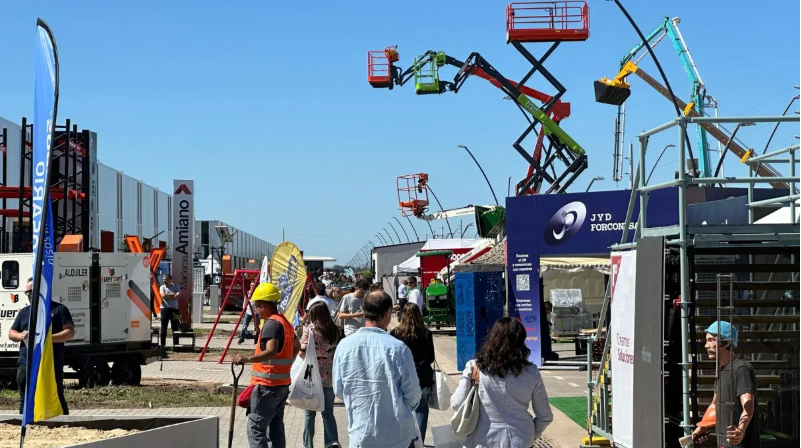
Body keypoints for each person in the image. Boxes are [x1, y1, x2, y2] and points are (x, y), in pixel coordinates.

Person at [333, 291, 421, 448]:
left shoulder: (344, 346)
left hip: (361, 434)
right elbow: (413, 394)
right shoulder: (398, 348)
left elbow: (339, 389)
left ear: (364, 311)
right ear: (387, 313)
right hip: (397, 436)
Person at [451, 317, 553, 448]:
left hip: (483, 440)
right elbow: (545, 416)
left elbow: (457, 403)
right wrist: (530, 435)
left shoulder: (475, 368)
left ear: (493, 338)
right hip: (521, 440)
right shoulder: (531, 372)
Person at [233, 282, 301, 448]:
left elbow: (271, 351)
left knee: (256, 429)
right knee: (276, 426)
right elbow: (297, 346)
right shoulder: (285, 323)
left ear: (263, 305)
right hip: (281, 384)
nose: (256, 310)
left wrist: (247, 358)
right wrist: (286, 365)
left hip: (267, 386)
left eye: (256, 306)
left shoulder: (271, 324)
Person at [8, 277, 75, 415]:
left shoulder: (59, 309)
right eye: (27, 293)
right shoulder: (25, 312)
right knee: (25, 395)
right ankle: (25, 420)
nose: (29, 295)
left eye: (31, 292)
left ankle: (64, 420)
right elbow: (11, 333)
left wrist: (47, 339)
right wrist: (20, 335)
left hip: (50, 360)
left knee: (55, 393)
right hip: (26, 361)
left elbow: (69, 332)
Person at [692, 321, 759, 447]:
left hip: (740, 445)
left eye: (711, 340)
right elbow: (714, 405)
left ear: (726, 342)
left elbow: (748, 404)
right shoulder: (721, 370)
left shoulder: (742, 368)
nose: (706, 345)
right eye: (706, 341)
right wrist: (702, 427)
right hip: (723, 444)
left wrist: (741, 430)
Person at [390, 303, 436, 441]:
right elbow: (431, 358)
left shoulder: (395, 334)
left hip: (401, 377)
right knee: (421, 410)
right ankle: (419, 441)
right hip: (423, 377)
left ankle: (405, 440)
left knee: (402, 410)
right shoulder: (426, 333)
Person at [300, 302, 341, 448]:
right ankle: (332, 442)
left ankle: (308, 445)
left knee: (309, 413)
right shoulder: (335, 330)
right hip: (329, 375)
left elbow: (302, 352)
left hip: (312, 376)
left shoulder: (310, 330)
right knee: (328, 413)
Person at [159, 274, 181, 349]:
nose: (164, 280)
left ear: (170, 280)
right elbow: (163, 296)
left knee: (175, 327)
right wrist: (173, 295)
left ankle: (176, 344)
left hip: (175, 310)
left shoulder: (176, 286)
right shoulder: (162, 287)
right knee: (163, 328)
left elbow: (179, 296)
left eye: (165, 279)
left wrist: (168, 296)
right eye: (163, 279)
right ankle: (162, 345)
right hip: (164, 309)